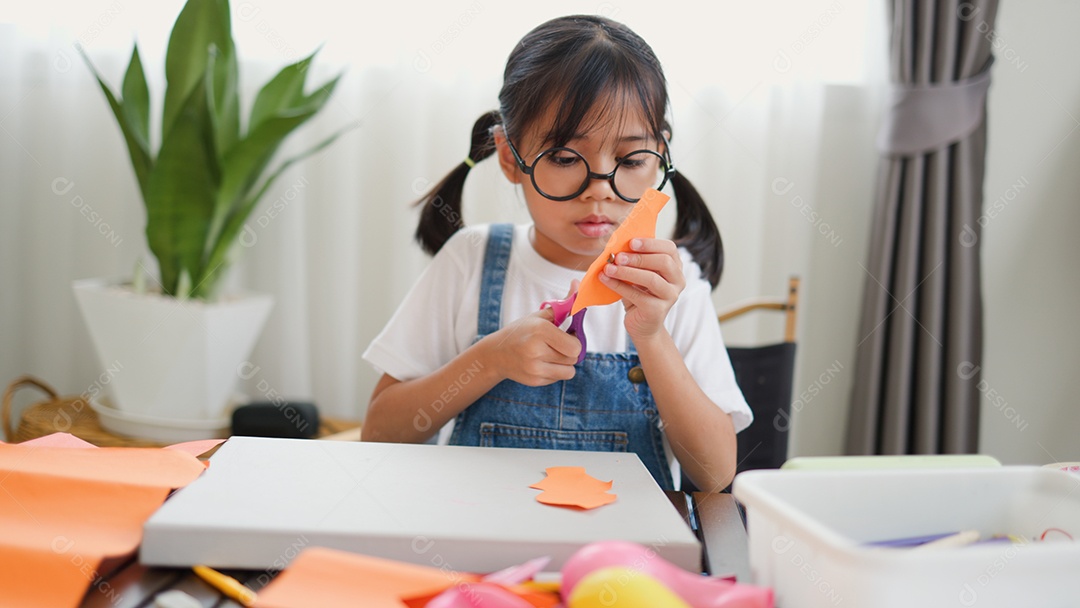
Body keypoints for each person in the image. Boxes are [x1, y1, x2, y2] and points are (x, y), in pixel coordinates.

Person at [361, 14, 751, 491]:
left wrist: (651, 337)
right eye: (566, 158)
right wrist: (489, 361)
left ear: (659, 155)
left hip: (622, 559)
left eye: (630, 161)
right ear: (510, 156)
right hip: (476, 545)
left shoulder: (673, 286)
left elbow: (713, 475)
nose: (599, 190)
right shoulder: (471, 260)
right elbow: (380, 434)